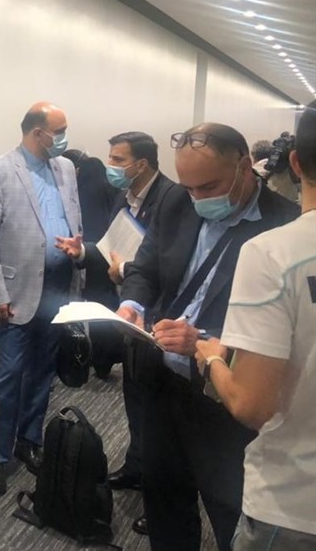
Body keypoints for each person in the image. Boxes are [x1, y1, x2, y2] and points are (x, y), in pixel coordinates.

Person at [116, 123, 299, 551]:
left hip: (224, 398)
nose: (198, 198)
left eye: (209, 187)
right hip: (160, 383)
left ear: (244, 167)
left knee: (228, 511)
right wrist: (132, 305)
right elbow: (146, 267)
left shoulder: (284, 227)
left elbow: (283, 333)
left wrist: (202, 339)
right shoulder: (176, 201)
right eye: (190, 188)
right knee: (164, 501)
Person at [193, 101, 316, 550]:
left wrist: (211, 360)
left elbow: (252, 404)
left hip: (293, 503)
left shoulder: (274, 254)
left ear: (295, 163)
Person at [57, 132, 175, 506]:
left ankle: (158, 486)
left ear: (142, 164)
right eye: (110, 158)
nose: (110, 166)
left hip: (159, 315)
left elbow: (168, 265)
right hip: (128, 313)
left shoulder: (172, 200)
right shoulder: (125, 197)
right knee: (134, 393)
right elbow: (112, 249)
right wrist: (83, 252)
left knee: (159, 406)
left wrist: (124, 270)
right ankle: (137, 467)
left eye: (118, 160)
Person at [0, 101, 82, 494]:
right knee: (9, 376)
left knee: (43, 370)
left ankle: (29, 439)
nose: (65, 137)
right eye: (60, 130)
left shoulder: (66, 168)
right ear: (38, 133)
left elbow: (75, 218)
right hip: (17, 292)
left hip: (58, 286)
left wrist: (78, 258)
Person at [62, 150, 121, 378]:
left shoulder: (82, 188)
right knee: (104, 309)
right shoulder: (102, 178)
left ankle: (83, 360)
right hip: (108, 253)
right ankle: (105, 362)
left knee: (84, 309)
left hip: (88, 253)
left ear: (75, 170)